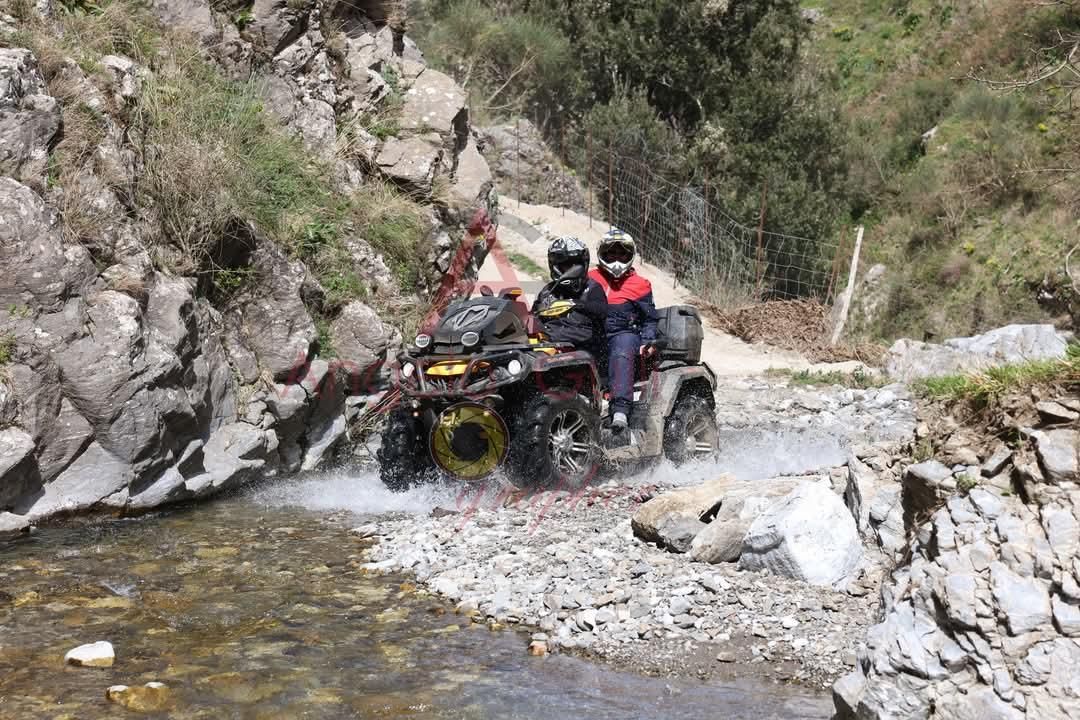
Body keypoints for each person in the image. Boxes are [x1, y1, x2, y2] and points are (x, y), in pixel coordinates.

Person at [588, 228, 659, 430]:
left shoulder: (641, 284)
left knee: (623, 346)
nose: (616, 258)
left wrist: (647, 341)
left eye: (621, 254)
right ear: (602, 254)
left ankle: (620, 412)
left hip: (624, 334)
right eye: (611, 253)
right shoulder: (589, 278)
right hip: (593, 334)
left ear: (630, 256)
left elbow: (650, 319)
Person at [531, 236, 608, 358]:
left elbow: (602, 310)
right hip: (548, 346)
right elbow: (532, 316)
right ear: (555, 266)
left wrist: (575, 304)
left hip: (583, 350)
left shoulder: (592, 288)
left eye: (575, 266)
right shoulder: (548, 291)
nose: (572, 270)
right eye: (567, 266)